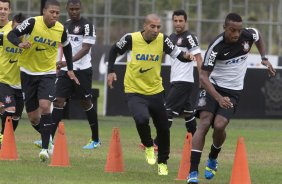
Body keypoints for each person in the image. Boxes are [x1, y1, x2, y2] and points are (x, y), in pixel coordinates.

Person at [187, 13, 276, 184]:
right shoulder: (216, 47)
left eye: (239, 30)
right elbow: (203, 78)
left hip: (233, 91)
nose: (236, 34)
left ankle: (213, 157)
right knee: (205, 123)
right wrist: (219, 98)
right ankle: (192, 172)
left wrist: (264, 58)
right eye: (232, 30)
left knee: (219, 125)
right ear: (225, 28)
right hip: (212, 87)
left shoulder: (247, 35)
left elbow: (258, 36)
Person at [107, 13, 195, 176]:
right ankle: (148, 146)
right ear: (145, 26)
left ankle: (163, 162)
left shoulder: (163, 39)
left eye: (158, 27)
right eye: (152, 27)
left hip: (155, 90)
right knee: (141, 119)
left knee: (163, 128)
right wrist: (111, 71)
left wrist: (187, 56)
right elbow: (113, 50)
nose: (156, 30)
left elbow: (178, 54)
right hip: (134, 90)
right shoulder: (130, 39)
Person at [7, 0, 79, 162]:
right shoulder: (32, 23)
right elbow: (12, 35)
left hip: (47, 73)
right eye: (52, 12)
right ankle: (49, 140)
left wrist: (70, 68)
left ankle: (45, 149)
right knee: (33, 117)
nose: (55, 15)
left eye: (57, 13)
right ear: (44, 11)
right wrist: (20, 43)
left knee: (45, 106)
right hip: (27, 72)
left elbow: (67, 46)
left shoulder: (61, 28)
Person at [150, 10, 203, 149]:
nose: (178, 23)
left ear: (186, 21)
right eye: (175, 21)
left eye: (181, 21)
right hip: (175, 79)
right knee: (188, 113)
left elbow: (198, 58)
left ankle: (157, 142)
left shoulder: (190, 37)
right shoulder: (171, 37)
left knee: (167, 111)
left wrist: (203, 78)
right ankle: (197, 141)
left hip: (184, 81)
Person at [50, 0, 100, 149]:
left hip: (82, 71)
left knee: (86, 103)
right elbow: (61, 47)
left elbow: (85, 49)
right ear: (67, 9)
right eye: (71, 9)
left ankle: (95, 139)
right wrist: (60, 63)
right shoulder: (64, 25)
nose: (74, 12)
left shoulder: (88, 26)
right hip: (65, 72)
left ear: (81, 9)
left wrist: (67, 62)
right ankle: (48, 139)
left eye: (76, 9)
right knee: (58, 101)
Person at [0, 1, 25, 146]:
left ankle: (5, 137)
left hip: (19, 81)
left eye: (5, 9)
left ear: (9, 11)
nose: (2, 11)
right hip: (3, 78)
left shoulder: (14, 29)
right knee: (10, 108)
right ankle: (4, 138)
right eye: (0, 9)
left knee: (15, 114)